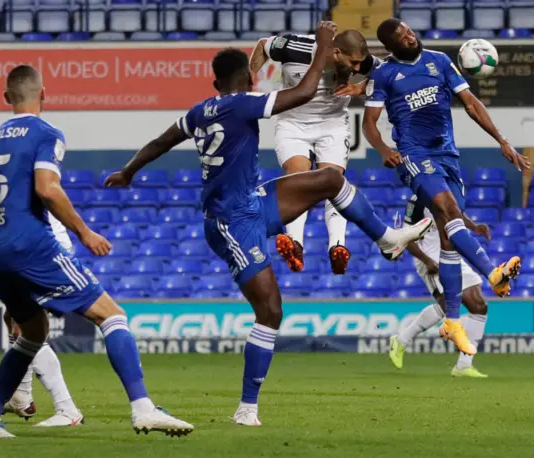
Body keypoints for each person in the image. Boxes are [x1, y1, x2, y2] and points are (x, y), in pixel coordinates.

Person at [105, 21, 433, 426]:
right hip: (230, 222)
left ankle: (386, 239)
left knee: (331, 179)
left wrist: (127, 171)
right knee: (271, 310)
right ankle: (247, 409)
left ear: (214, 81)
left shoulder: (199, 111)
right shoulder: (243, 103)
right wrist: (325, 44)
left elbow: (160, 142)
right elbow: (305, 92)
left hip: (252, 201)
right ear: (246, 78)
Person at [0, 65, 193, 439]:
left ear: (6, 99)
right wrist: (85, 232)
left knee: (32, 334)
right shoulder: (46, 133)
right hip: (33, 245)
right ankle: (143, 409)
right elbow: (47, 188)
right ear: (45, 94)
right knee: (112, 315)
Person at [362, 18, 530, 357]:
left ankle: (452, 321)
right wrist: (384, 151)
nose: (411, 36)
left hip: (448, 155)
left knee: (449, 240)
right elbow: (368, 124)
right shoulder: (383, 76)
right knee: (449, 210)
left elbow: (470, 103)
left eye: (410, 30)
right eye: (402, 36)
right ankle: (493, 273)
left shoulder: (438, 60)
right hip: (414, 154)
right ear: (390, 47)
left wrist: (502, 140)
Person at [0, 98, 85, 427]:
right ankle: (22, 395)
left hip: (37, 240)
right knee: (13, 318)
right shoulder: (12, 141)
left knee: (27, 324)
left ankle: (66, 409)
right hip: (41, 236)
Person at [249, 29, 377, 274]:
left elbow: (388, 75)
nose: (357, 67)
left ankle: (337, 247)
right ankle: (295, 243)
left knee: (333, 180)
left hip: (333, 122)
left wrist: (361, 89)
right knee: (298, 175)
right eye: (353, 63)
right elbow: (264, 45)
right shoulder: (293, 46)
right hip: (293, 121)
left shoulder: (362, 62)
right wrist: (249, 77)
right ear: (336, 52)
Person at [388, 195, 490, 378]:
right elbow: (405, 238)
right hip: (430, 257)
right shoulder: (418, 200)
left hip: (451, 255)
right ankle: (401, 340)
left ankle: (463, 366)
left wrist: (473, 226)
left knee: (479, 306)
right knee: (447, 306)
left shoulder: (448, 191)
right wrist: (426, 261)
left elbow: (454, 214)